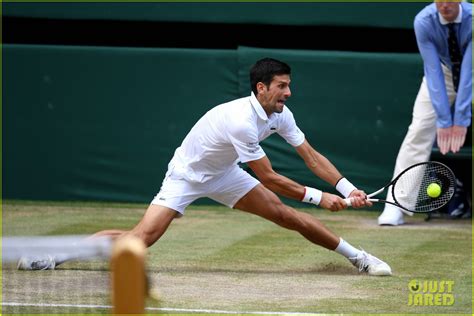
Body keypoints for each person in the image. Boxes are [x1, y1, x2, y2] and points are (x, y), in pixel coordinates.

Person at [19, 58, 391, 276]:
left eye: (289, 85)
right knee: (142, 240)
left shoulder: (280, 113)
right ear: (261, 88)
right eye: (282, 86)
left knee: (286, 216)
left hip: (225, 173)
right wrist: (318, 196)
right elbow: (268, 176)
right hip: (187, 175)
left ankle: (358, 258)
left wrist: (345, 189)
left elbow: (310, 155)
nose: (288, 93)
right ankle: (55, 253)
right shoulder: (240, 120)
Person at [378, 0, 472, 226]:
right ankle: (396, 205)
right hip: (443, 72)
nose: (445, 5)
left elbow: (470, 70)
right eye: (440, 0)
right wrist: (443, 119)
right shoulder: (423, 21)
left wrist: (460, 119)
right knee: (418, 130)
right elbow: (432, 71)